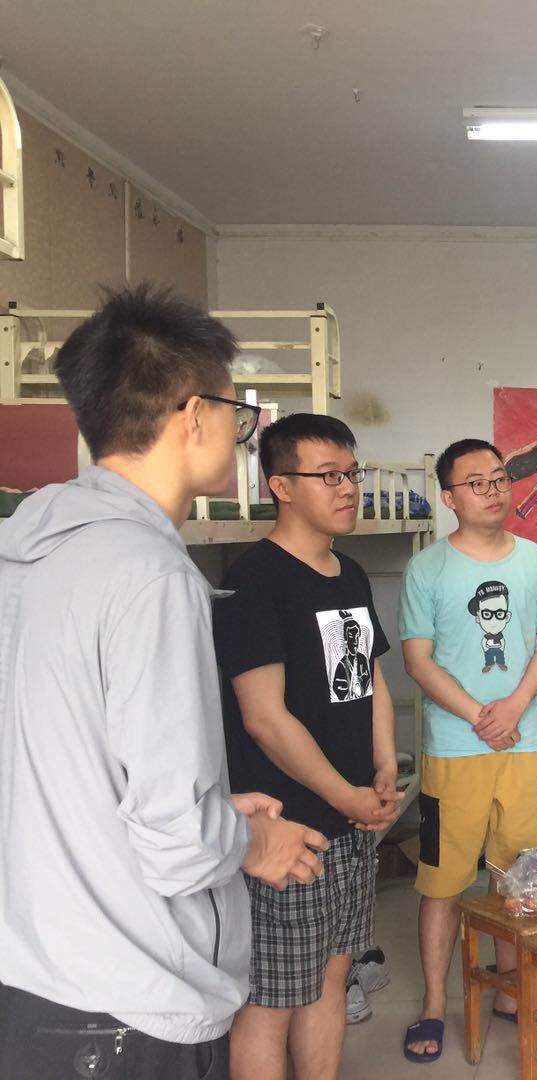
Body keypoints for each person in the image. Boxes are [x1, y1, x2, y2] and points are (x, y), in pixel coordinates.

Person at [0, 286, 328, 1079]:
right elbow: (179, 846)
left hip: (36, 972)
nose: (241, 434)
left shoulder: (27, 549)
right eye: (238, 414)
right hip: (128, 998)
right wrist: (253, 839)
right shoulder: (151, 576)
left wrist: (213, 811)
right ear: (193, 415)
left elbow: (69, 764)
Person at [214, 413, 401, 1080]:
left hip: (351, 819)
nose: (347, 488)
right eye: (328, 475)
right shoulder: (253, 582)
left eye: (351, 473)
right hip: (287, 828)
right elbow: (264, 719)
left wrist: (385, 764)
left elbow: (370, 677)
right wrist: (344, 794)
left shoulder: (349, 572)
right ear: (281, 486)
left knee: (332, 976)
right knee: (270, 1002)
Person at [399, 438, 537, 1062]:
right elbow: (417, 660)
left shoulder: (533, 559)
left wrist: (515, 706)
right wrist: (479, 716)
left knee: (516, 875)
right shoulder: (427, 569)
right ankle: (433, 1005)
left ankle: (511, 993)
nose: (493, 490)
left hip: (522, 743)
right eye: (477, 483)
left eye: (499, 478)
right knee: (442, 883)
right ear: (450, 498)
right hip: (453, 750)